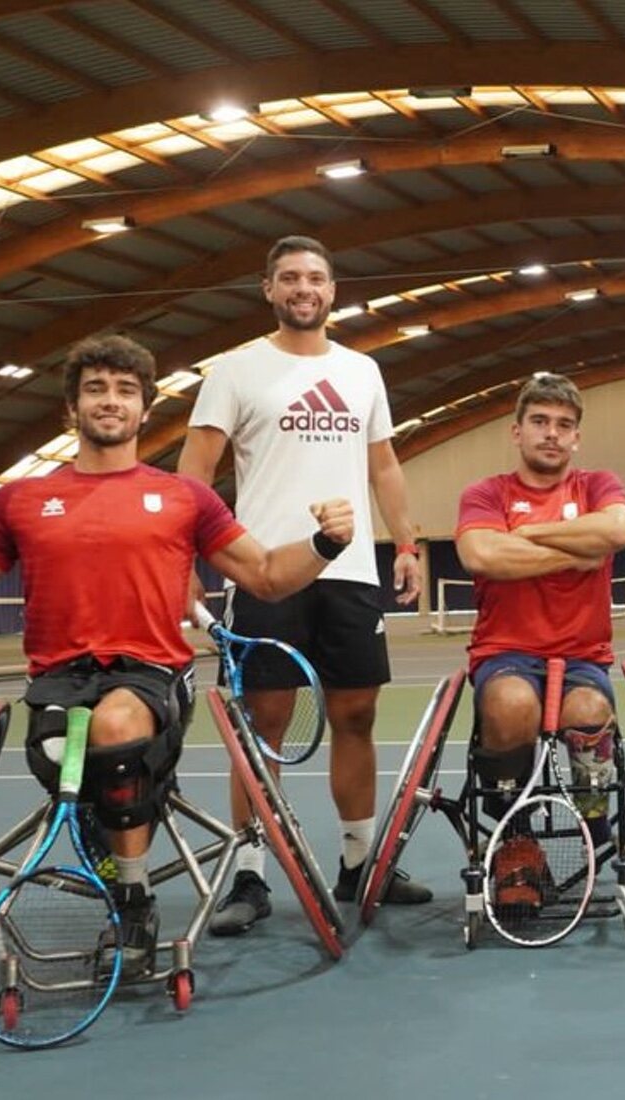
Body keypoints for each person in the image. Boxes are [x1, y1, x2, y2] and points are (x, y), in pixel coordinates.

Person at [0, 335, 355, 976]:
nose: (110, 401)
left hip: (152, 677)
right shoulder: (18, 502)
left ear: (145, 409)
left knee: (117, 726)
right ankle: (124, 808)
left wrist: (324, 543)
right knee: (76, 751)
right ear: (71, 408)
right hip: (57, 684)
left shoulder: (185, 498)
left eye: (125, 390)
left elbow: (266, 575)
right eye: (96, 389)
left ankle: (133, 900)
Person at [179, 235, 430, 937]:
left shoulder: (362, 371)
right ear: (268, 289)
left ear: (332, 290)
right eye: (289, 277)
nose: (303, 288)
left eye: (315, 278)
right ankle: (251, 873)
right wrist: (180, 559)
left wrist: (405, 543)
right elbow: (193, 473)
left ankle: (359, 863)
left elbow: (384, 466)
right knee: (263, 725)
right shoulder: (235, 371)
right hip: (265, 570)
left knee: (357, 716)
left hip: (349, 574)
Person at [453, 372, 625, 912]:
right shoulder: (486, 493)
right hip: (505, 653)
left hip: (581, 657)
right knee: (513, 706)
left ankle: (594, 828)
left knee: (589, 711)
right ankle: (517, 840)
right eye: (539, 421)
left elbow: (621, 531)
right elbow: (482, 555)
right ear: (517, 431)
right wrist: (579, 552)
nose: (551, 433)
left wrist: (528, 534)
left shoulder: (597, 484)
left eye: (563, 424)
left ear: (576, 437)